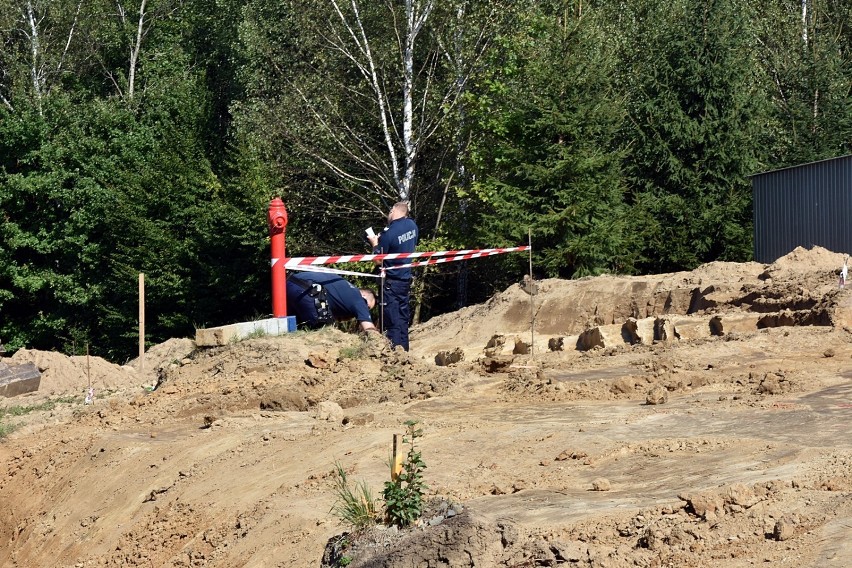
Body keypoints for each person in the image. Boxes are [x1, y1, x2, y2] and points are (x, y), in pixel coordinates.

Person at [367, 201, 419, 350]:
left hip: (391, 281)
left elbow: (378, 260)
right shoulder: (413, 226)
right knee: (403, 318)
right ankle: (405, 351)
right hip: (405, 278)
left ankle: (396, 353)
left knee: (392, 319)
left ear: (393, 211)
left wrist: (375, 244)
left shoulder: (389, 233)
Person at [286, 271, 379, 333]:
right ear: (364, 296)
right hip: (306, 290)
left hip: (289, 284)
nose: (365, 309)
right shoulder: (359, 299)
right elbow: (369, 329)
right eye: (368, 307)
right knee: (323, 330)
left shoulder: (343, 289)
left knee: (295, 329)